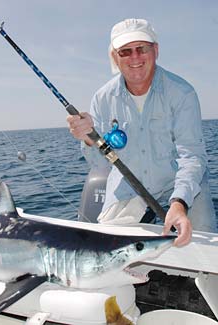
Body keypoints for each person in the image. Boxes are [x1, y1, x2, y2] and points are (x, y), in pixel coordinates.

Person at [67, 18, 217, 247]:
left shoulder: (182, 93)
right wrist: (88, 139)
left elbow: (193, 157)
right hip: (128, 187)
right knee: (106, 250)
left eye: (141, 49)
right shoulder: (102, 99)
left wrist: (179, 202)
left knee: (203, 246)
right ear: (115, 58)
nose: (134, 58)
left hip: (179, 183)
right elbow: (101, 165)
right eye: (125, 52)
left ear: (155, 50)